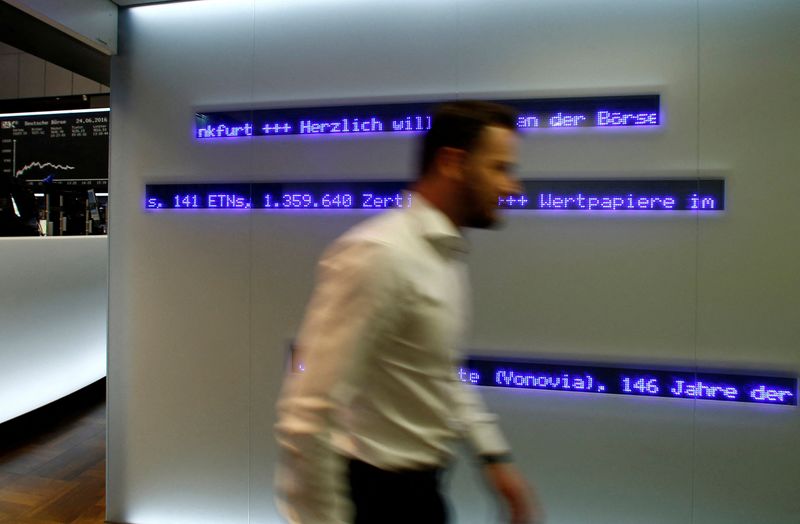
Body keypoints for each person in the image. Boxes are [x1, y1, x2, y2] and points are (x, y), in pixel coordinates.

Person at [275, 101, 539, 524]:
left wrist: (493, 456)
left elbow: (437, 370)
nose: (513, 187)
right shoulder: (379, 255)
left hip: (420, 492)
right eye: (500, 168)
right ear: (453, 162)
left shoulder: (441, 254)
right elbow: (309, 412)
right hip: (375, 498)